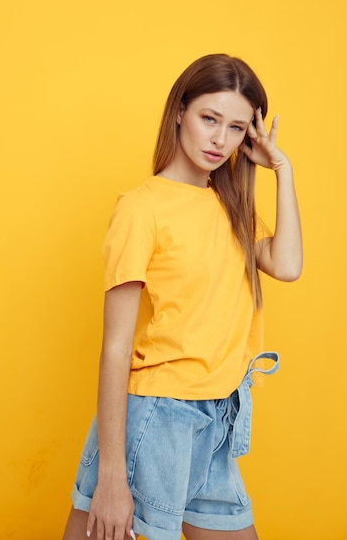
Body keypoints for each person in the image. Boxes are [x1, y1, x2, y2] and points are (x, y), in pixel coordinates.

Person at [62, 54, 303, 540]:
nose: (220, 140)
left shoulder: (230, 207)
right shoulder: (142, 208)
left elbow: (288, 265)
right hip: (157, 418)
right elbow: (114, 349)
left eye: (237, 128)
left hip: (217, 418)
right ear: (180, 111)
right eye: (209, 119)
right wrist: (113, 475)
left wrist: (283, 170)